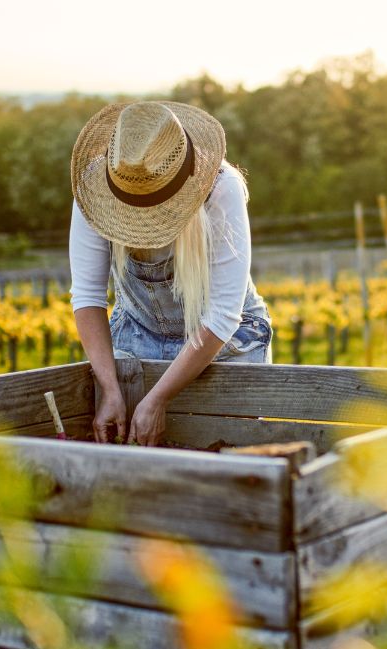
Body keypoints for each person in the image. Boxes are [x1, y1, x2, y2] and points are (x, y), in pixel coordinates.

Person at [69, 100, 272, 447]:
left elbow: (223, 314)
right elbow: (87, 296)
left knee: (231, 467)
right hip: (138, 334)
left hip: (223, 344)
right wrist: (110, 388)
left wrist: (157, 398)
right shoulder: (94, 191)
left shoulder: (222, 188)